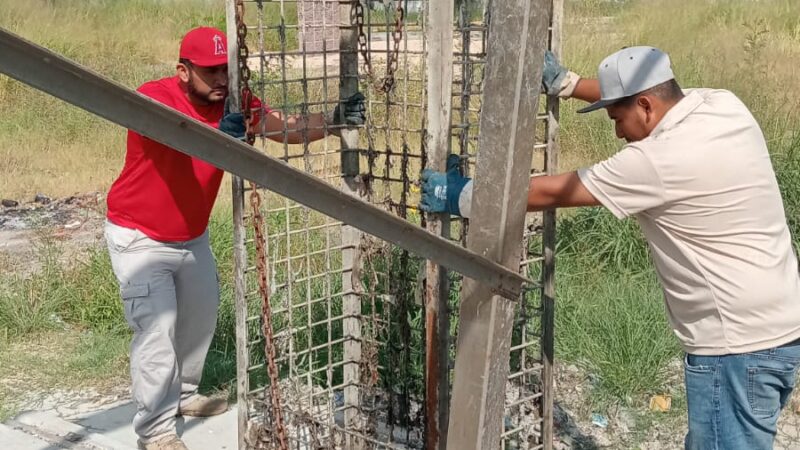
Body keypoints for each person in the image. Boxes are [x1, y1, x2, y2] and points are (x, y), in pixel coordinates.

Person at [421, 46, 800, 449]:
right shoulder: (722, 105)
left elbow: (555, 192)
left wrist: (466, 197)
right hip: (779, 327)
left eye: (617, 119)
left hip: (735, 349)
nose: (618, 133)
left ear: (645, 106)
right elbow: (646, 89)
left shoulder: (657, 161)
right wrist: (567, 84)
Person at [104, 26, 364, 450]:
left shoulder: (233, 105)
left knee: (199, 317)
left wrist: (333, 121)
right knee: (157, 331)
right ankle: (155, 431)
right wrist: (216, 138)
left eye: (225, 70)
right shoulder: (153, 97)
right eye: (210, 72)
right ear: (183, 71)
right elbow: (171, 135)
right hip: (139, 237)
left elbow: (284, 126)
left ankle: (184, 395)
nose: (222, 80)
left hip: (191, 235)